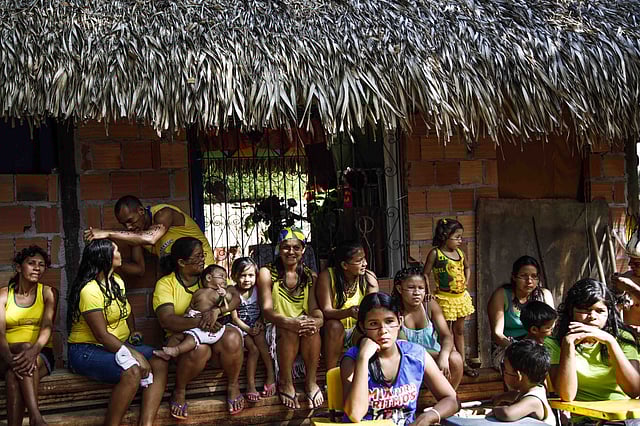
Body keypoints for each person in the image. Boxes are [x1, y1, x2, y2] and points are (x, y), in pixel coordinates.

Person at [67, 239, 168, 426]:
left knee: (160, 360)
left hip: (116, 346)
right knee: (132, 371)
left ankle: (146, 423)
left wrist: (133, 332)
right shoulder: (89, 290)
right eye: (115, 251)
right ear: (104, 258)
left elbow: (126, 311)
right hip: (87, 350)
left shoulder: (117, 281)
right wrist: (136, 354)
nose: (120, 254)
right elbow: (101, 335)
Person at [153, 237, 244, 417]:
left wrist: (217, 311)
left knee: (233, 336)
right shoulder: (166, 284)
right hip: (186, 340)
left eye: (202, 255)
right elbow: (167, 320)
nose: (203, 260)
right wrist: (202, 321)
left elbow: (235, 296)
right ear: (181, 262)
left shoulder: (208, 276)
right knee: (200, 349)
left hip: (216, 337)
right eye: (198, 257)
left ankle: (233, 385)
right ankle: (179, 390)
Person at [341, 292, 458, 425]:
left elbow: (451, 399)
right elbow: (354, 414)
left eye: (389, 321)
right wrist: (363, 358)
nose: (383, 330)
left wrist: (430, 415)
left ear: (400, 322)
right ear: (362, 327)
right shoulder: (352, 359)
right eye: (373, 324)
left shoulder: (416, 355)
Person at [545, 279, 640, 410]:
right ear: (570, 311)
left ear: (609, 313)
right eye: (584, 310)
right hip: (586, 417)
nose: (592, 316)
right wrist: (568, 345)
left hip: (624, 415)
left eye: (600, 311)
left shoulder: (622, 338)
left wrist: (610, 342)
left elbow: (634, 391)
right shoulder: (555, 342)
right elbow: (566, 395)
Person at [256, 226, 324, 409]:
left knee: (312, 330)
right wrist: (289, 322)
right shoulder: (266, 273)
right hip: (277, 325)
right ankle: (285, 381)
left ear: (303, 250)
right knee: (289, 331)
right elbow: (267, 310)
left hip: (299, 324)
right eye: (286, 247)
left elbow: (314, 309)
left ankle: (311, 381)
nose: (291, 252)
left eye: (296, 247)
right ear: (279, 248)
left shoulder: (310, 276)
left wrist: (317, 321)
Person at [83, 195, 215, 276]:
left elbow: (151, 238)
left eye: (130, 220)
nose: (129, 227)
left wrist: (107, 232)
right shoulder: (136, 235)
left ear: (141, 211)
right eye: (124, 224)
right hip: (181, 279)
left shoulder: (163, 213)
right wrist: (110, 262)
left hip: (205, 272)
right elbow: (139, 270)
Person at [0, 246, 57, 426]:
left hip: (40, 354)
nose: (37, 268)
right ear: (18, 267)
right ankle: (36, 417)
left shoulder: (47, 293)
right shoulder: (4, 295)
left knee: (13, 377)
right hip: (5, 354)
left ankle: (34, 418)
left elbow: (47, 326)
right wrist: (9, 358)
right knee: (23, 350)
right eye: (31, 263)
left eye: (41, 265)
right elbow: (0, 333)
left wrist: (34, 350)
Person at [393, 266, 463, 389]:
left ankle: (450, 396)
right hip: (410, 359)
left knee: (455, 358)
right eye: (411, 288)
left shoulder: (429, 305)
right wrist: (435, 355)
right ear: (400, 289)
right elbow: (404, 347)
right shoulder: (394, 311)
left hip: (436, 357)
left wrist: (444, 356)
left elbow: (446, 335)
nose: (416, 293)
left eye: (421, 288)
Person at [422, 218, 476, 377]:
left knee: (459, 330)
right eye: (457, 237)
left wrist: (466, 280)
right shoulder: (435, 253)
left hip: (460, 298)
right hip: (444, 299)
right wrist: (428, 290)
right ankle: (447, 361)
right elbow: (425, 273)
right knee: (445, 332)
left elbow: (467, 267)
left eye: (461, 237)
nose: (461, 240)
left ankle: (462, 362)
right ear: (445, 236)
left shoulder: (460, 253)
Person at [153, 264, 238, 360]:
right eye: (222, 277)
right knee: (176, 337)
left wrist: (225, 295)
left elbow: (231, 299)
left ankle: (177, 350)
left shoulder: (218, 293)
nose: (225, 280)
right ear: (209, 277)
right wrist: (188, 312)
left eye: (225, 277)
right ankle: (167, 353)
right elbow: (191, 306)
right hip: (196, 323)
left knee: (191, 338)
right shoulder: (198, 292)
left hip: (209, 326)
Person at [316, 241, 379, 369]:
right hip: (332, 333)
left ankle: (366, 374)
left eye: (365, 259)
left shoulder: (369, 278)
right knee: (334, 326)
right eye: (359, 261)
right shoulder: (327, 276)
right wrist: (348, 312)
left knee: (368, 328)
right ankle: (331, 375)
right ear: (344, 265)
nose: (365, 264)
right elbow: (326, 311)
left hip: (357, 329)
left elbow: (373, 308)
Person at [488, 255, 554, 370]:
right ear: (514, 277)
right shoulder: (502, 295)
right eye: (523, 276)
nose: (529, 281)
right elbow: (497, 334)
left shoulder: (544, 295)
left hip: (540, 342)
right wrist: (520, 349)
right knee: (526, 363)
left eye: (534, 276)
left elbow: (550, 327)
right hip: (508, 346)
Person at [230, 257, 276, 402]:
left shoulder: (257, 290)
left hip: (256, 324)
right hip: (240, 328)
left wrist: (260, 322)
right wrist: (248, 329)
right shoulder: (232, 292)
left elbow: (264, 309)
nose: (247, 279)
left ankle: (270, 375)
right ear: (234, 276)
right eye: (243, 276)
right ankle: (250, 385)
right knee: (254, 350)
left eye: (251, 275)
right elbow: (234, 318)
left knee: (262, 343)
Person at [491, 340, 555, 425]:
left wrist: (493, 410)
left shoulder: (533, 401)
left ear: (518, 376)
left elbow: (507, 414)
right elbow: (516, 395)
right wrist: (501, 397)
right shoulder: (536, 388)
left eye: (505, 371)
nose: (504, 374)